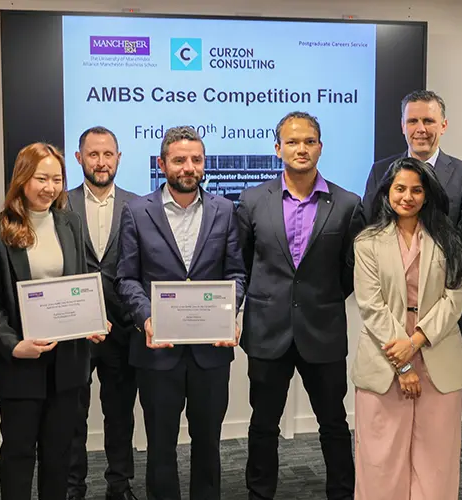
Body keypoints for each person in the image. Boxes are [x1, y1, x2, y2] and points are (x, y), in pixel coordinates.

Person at [236, 111, 362, 500]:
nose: (301, 149)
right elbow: (243, 263)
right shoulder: (252, 200)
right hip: (267, 331)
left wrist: (319, 299)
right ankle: (260, 493)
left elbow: (351, 270)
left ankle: (342, 492)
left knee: (334, 422)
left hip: (322, 330)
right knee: (263, 424)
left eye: (309, 141)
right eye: (292, 142)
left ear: (320, 147)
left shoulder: (347, 203)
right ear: (278, 149)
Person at [116, 126, 246, 500]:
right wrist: (146, 318)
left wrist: (229, 312)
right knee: (160, 445)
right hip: (158, 352)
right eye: (179, 160)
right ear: (162, 164)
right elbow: (126, 277)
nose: (188, 167)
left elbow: (236, 272)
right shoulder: (137, 211)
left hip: (211, 352)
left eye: (196, 160)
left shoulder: (225, 210)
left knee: (208, 444)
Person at [0, 143, 105, 500]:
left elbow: (81, 281)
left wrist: (94, 319)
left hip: (68, 362)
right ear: (22, 179)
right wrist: (13, 344)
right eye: (42, 179)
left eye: (57, 179)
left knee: (59, 455)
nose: (50, 188)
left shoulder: (70, 223)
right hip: (21, 363)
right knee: (18, 454)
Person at [351, 157, 462, 500]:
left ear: (427, 194)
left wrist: (415, 341)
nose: (407, 197)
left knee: (436, 460)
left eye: (417, 190)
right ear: (387, 193)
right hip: (384, 359)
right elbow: (371, 306)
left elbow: (454, 299)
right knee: (380, 459)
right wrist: (403, 363)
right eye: (400, 188)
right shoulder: (367, 242)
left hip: (437, 356)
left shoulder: (449, 240)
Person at [363, 90, 462, 336]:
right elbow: (371, 227)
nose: (421, 129)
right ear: (402, 126)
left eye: (428, 121)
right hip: (390, 306)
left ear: (443, 125)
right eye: (412, 121)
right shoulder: (380, 171)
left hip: (443, 307)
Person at [67, 127, 140, 500]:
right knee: (71, 416)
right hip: (75, 331)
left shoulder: (138, 205)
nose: (101, 162)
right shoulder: (59, 204)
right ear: (79, 158)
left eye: (108, 154)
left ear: (119, 158)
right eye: (93, 154)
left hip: (122, 328)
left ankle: (119, 485)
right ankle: (72, 487)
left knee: (120, 414)